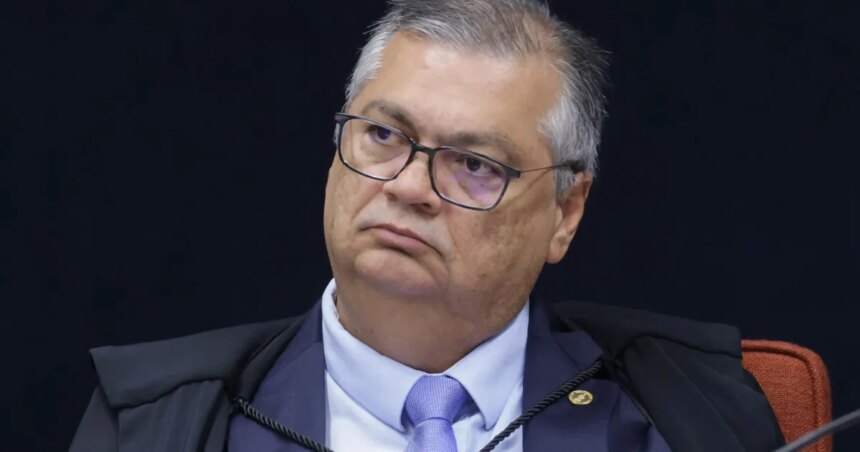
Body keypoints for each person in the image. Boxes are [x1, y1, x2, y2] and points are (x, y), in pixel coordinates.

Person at [69, 1, 784, 451]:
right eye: (383, 135)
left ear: (564, 213)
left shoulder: (688, 410)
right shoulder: (159, 420)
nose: (409, 187)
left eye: (474, 164)